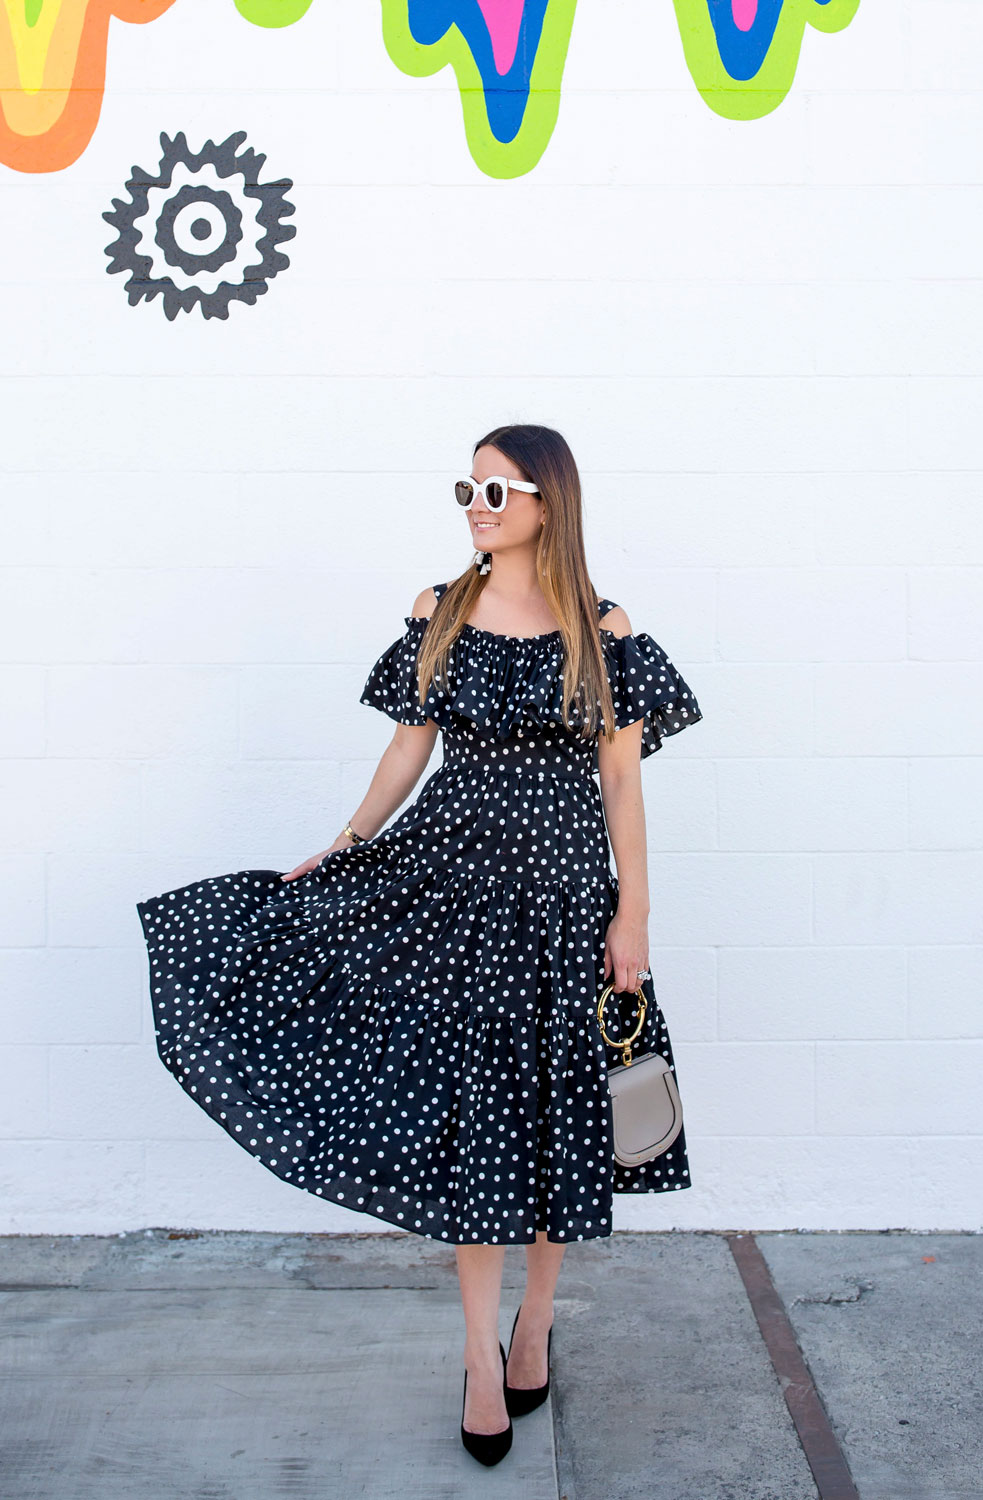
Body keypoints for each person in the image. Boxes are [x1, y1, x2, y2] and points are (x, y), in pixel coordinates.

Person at [136, 422, 702, 1467]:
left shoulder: (605, 627)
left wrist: (636, 915)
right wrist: (346, 842)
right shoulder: (437, 612)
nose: (477, 506)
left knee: (556, 1119)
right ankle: (480, 1360)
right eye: (468, 489)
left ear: (549, 501)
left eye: (498, 489)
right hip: (447, 892)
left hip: (568, 902)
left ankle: (535, 1325)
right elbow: (408, 746)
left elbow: (622, 781)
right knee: (479, 1127)